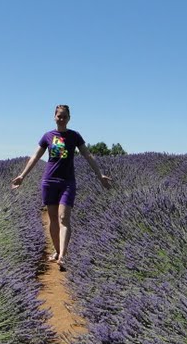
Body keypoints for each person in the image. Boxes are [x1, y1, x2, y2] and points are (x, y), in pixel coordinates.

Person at [11, 104, 112, 270]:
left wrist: (99, 175)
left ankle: (63, 256)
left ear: (69, 118)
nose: (62, 119)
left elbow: (87, 155)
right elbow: (35, 156)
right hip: (49, 181)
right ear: (54, 117)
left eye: (65, 116)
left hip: (67, 182)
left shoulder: (74, 136)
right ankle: (57, 251)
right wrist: (22, 175)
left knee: (64, 217)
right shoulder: (48, 136)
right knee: (52, 219)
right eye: (59, 116)